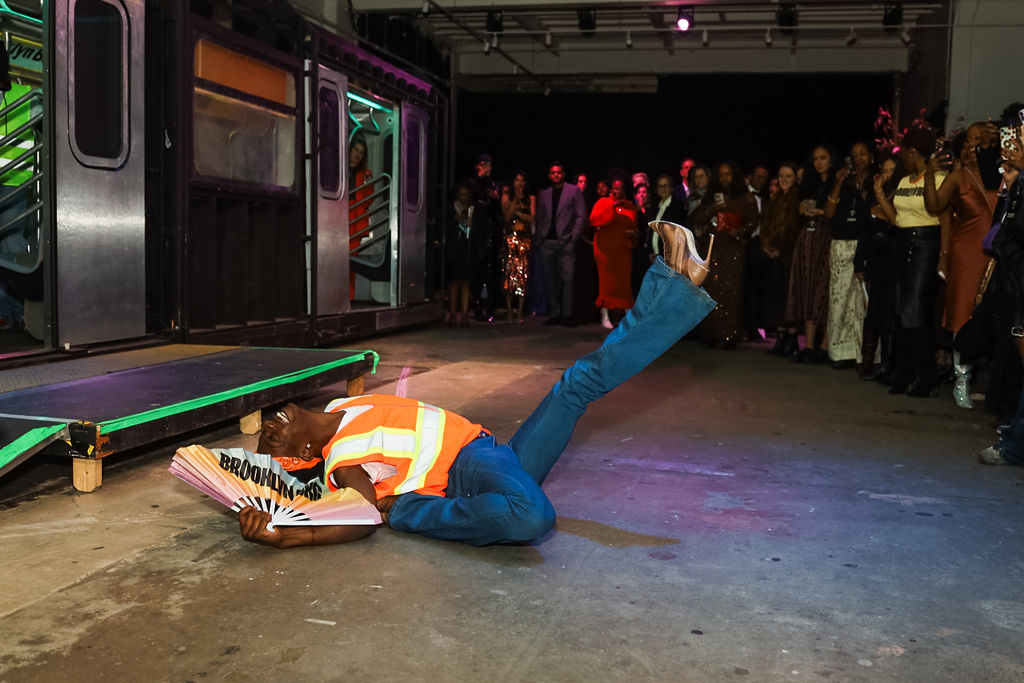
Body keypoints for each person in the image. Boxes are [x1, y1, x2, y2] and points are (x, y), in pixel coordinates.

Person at [239, 242, 718, 547]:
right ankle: (413, 513)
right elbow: (360, 514)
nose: (268, 428)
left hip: (494, 454)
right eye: (271, 444)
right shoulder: (340, 459)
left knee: (575, 385)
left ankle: (672, 282)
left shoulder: (342, 405)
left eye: (265, 432)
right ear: (305, 452)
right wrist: (287, 537)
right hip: (467, 471)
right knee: (532, 517)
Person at [923, 124, 997, 409]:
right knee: (962, 314)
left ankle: (995, 383)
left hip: (998, 255)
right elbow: (934, 206)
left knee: (994, 316)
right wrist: (930, 174)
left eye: (983, 139)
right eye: (971, 140)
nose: (976, 144)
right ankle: (961, 381)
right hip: (967, 253)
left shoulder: (1001, 174)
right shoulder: (957, 177)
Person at [873, 125, 950, 397]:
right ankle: (907, 372)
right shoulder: (905, 181)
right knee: (902, 313)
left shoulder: (940, 178)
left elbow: (937, 214)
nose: (902, 158)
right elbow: (896, 219)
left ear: (913, 151)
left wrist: (943, 256)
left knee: (915, 312)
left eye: (904, 152)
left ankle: (926, 375)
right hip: (902, 244)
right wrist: (880, 193)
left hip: (926, 246)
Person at [692, 159, 758, 349]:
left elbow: (753, 221)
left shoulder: (745, 197)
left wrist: (740, 231)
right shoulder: (712, 196)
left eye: (728, 174)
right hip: (713, 246)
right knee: (711, 289)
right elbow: (698, 218)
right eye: (721, 174)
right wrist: (713, 208)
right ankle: (711, 332)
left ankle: (729, 335)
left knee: (732, 291)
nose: (724, 178)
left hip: (734, 247)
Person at [823, 141, 877, 370]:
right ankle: (840, 353)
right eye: (854, 155)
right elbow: (829, 213)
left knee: (861, 302)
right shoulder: (841, 181)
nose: (858, 159)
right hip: (841, 243)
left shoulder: (876, 181)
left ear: (871, 157)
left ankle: (863, 354)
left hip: (864, 242)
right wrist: (838, 183)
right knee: (839, 299)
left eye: (863, 154)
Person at [786, 145, 836, 363]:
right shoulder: (809, 183)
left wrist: (824, 212)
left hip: (829, 237)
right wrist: (802, 210)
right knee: (807, 288)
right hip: (808, 238)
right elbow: (799, 212)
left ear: (832, 160)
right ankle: (809, 345)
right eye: (815, 158)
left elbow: (838, 213)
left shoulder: (838, 182)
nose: (819, 162)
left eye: (823, 158)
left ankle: (824, 346)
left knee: (825, 289)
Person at [855, 155, 901, 380]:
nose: (888, 175)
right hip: (875, 260)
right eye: (885, 170)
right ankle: (867, 360)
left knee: (889, 313)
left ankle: (887, 362)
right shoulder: (873, 197)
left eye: (892, 170)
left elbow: (895, 224)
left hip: (894, 260)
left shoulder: (901, 196)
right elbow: (864, 234)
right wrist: (859, 262)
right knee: (873, 313)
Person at [535, 161, 588, 326]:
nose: (556, 175)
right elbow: (540, 217)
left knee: (568, 278)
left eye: (558, 172)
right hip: (547, 241)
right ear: (549, 175)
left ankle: (567, 314)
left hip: (566, 241)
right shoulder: (544, 193)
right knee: (550, 280)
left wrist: (574, 237)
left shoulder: (574, 191)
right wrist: (539, 237)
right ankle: (555, 312)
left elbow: (581, 215)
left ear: (563, 174)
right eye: (553, 172)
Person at [760, 162, 802, 356]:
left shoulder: (797, 198)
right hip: (774, 253)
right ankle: (781, 335)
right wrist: (767, 245)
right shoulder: (775, 199)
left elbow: (794, 228)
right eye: (782, 176)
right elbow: (766, 224)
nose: (784, 180)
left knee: (789, 294)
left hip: (790, 252)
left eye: (788, 176)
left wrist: (777, 244)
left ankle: (792, 338)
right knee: (776, 294)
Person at [590, 177, 638, 329]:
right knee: (607, 283)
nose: (618, 191)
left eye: (620, 188)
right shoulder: (603, 202)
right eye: (615, 188)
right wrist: (612, 207)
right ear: (611, 189)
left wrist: (634, 233)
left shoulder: (629, 205)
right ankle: (605, 314)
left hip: (623, 251)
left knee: (624, 282)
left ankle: (628, 315)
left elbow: (633, 224)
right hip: (605, 251)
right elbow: (594, 220)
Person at [501, 171, 536, 324]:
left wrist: (518, 214)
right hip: (510, 241)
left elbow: (532, 217)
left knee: (522, 277)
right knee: (510, 276)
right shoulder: (507, 197)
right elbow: (507, 217)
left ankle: (520, 312)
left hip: (524, 241)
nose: (520, 183)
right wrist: (515, 201)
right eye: (517, 180)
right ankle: (509, 311)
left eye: (522, 180)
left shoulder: (531, 199)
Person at [446, 181, 480, 327]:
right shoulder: (452, 209)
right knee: (454, 282)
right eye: (460, 194)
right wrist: (455, 220)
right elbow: (446, 227)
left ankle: (465, 315)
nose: (463, 197)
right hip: (455, 248)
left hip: (467, 248)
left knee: (466, 282)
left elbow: (480, 229)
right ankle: (453, 315)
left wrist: (473, 224)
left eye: (465, 194)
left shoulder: (474, 209)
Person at [348, 134, 373, 299]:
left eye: (361, 152)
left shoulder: (365, 174)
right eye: (356, 150)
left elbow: (368, 199)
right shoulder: (339, 167)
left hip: (355, 220)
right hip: (337, 215)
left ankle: (348, 297)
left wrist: (367, 182)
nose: (357, 155)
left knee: (351, 262)